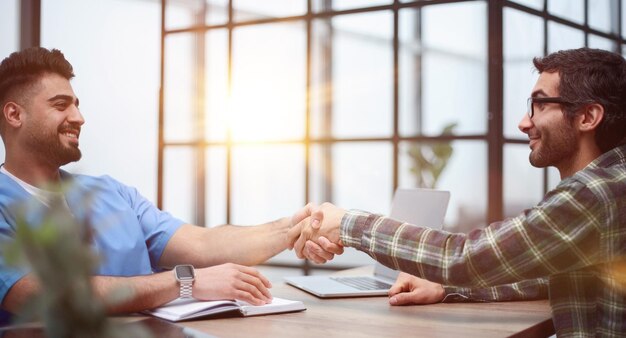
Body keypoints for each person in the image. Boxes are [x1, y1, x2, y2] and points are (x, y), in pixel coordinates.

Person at [288, 47, 626, 337]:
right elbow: (549, 273)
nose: (523, 123)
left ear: (588, 117)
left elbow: (464, 256)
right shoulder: (613, 182)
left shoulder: (595, 194)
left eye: (539, 105)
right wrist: (448, 288)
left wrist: (348, 223)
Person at [0, 47, 308, 324]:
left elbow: (201, 244)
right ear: (14, 114)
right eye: (61, 105)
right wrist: (184, 282)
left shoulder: (111, 193)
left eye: (77, 105)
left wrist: (293, 228)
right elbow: (38, 295)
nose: (78, 117)